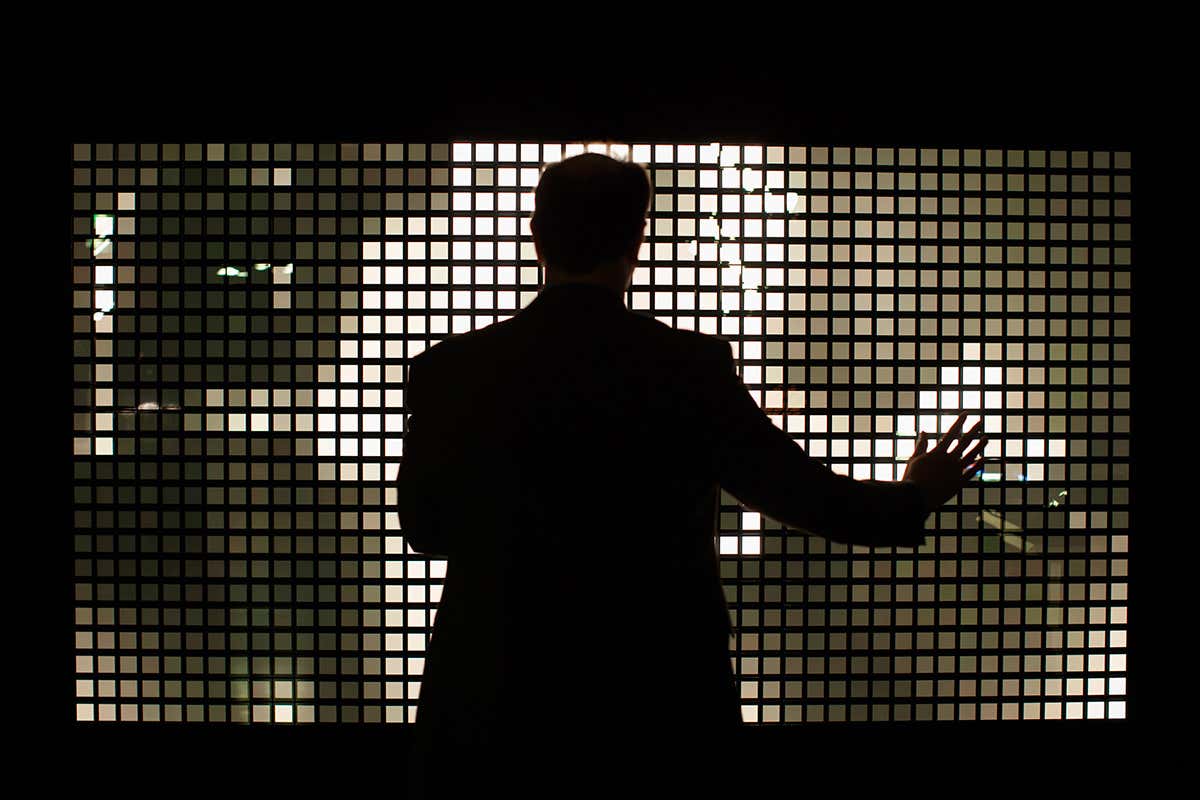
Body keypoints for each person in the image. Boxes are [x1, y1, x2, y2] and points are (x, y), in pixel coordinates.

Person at [396, 152, 985, 796]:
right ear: (637, 238)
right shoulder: (687, 367)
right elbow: (794, 490)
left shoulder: (449, 371)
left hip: (498, 693)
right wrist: (914, 495)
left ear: (536, 234)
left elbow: (427, 526)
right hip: (657, 694)